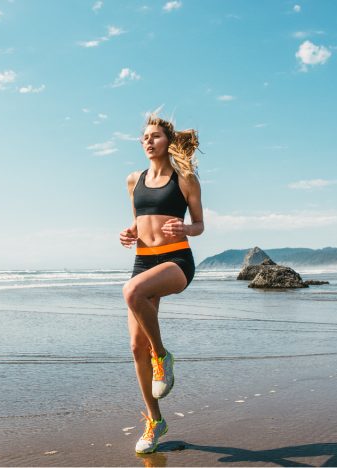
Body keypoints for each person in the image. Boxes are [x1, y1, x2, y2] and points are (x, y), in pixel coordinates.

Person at [120, 114, 204, 454]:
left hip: (176, 261)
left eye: (155, 136)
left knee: (131, 291)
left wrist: (185, 229)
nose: (149, 141)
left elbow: (199, 224)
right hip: (143, 260)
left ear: (168, 142)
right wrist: (129, 232)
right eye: (145, 137)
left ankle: (163, 356)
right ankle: (155, 422)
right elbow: (137, 221)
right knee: (135, 347)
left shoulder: (184, 178)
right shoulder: (133, 180)